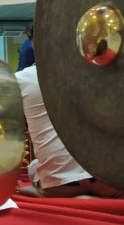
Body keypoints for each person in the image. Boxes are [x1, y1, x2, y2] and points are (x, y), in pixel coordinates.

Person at [16, 64, 122, 198]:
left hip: (60, 185)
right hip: (107, 181)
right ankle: (101, 196)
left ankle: (44, 193)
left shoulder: (21, 79)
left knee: (33, 168)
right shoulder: (105, 71)